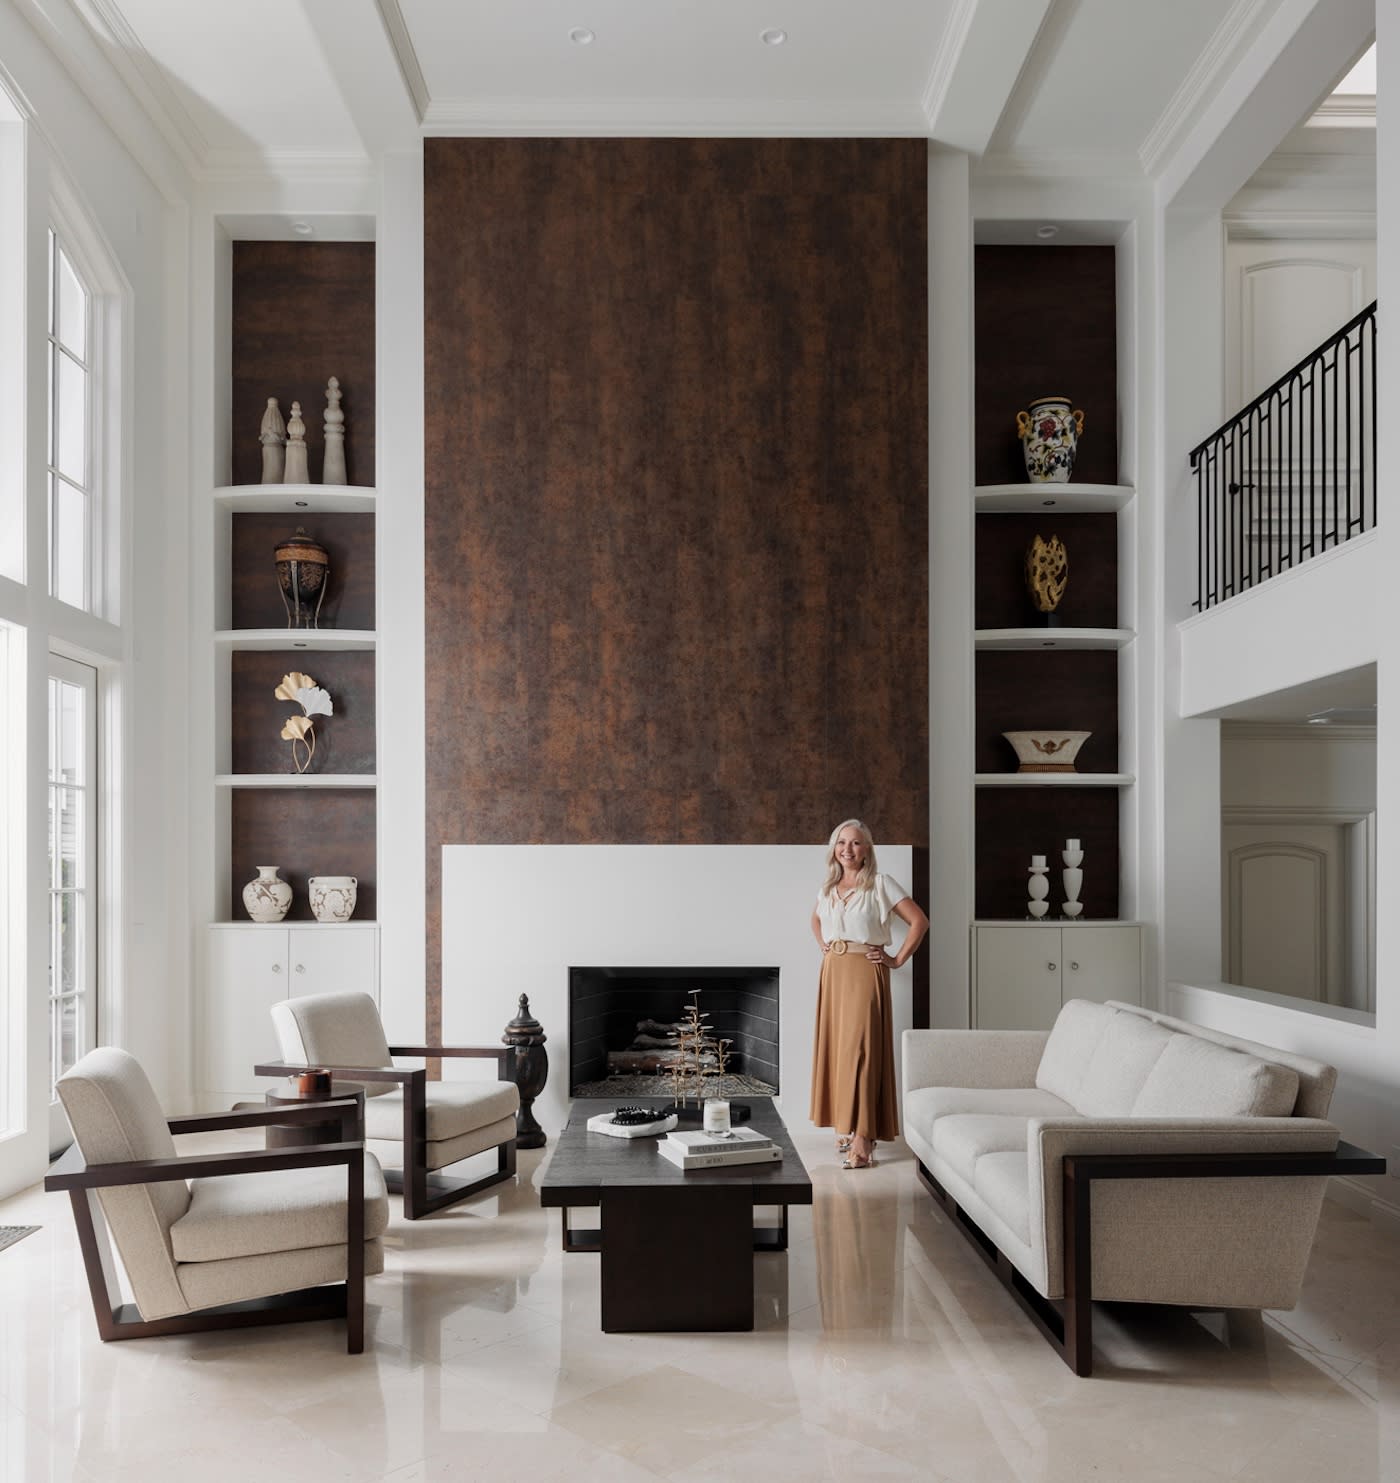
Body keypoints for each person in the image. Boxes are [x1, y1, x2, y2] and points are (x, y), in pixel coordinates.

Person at [809, 819, 929, 1169]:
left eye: (856, 843)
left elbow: (919, 921)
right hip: (833, 972)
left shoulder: (880, 884)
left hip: (865, 971)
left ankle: (863, 1138)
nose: (847, 849)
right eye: (841, 842)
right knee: (838, 1050)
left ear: (867, 850)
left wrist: (896, 959)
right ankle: (847, 1126)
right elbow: (815, 920)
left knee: (862, 1051)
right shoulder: (828, 887)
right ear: (834, 848)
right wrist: (824, 945)